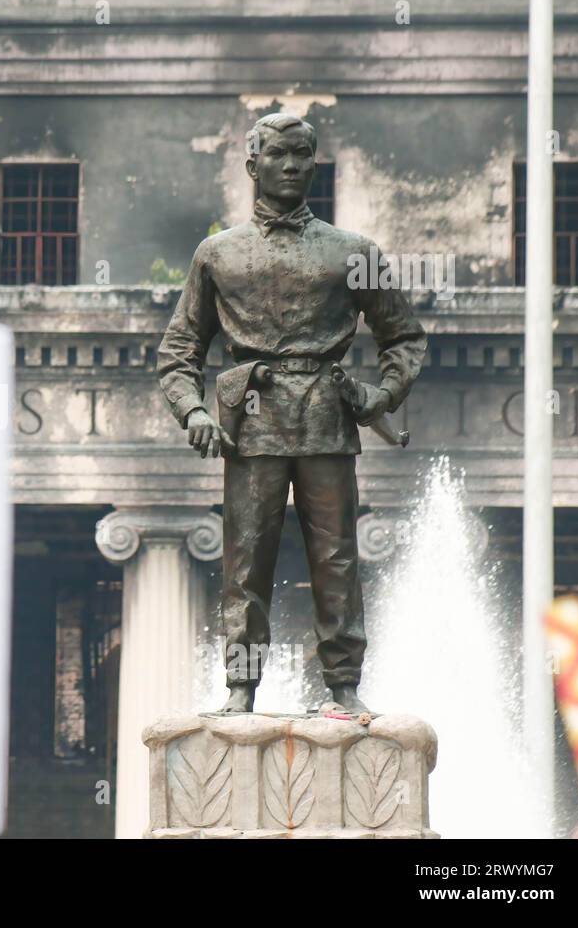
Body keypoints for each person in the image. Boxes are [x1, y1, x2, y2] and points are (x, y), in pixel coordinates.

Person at [156, 112, 427, 714]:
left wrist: (381, 396)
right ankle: (241, 688)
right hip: (250, 423)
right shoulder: (217, 255)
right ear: (252, 164)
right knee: (245, 563)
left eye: (303, 155)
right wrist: (194, 411)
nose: (293, 166)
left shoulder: (352, 253)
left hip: (327, 421)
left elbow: (404, 338)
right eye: (279, 155)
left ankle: (344, 686)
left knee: (336, 559)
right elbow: (178, 352)